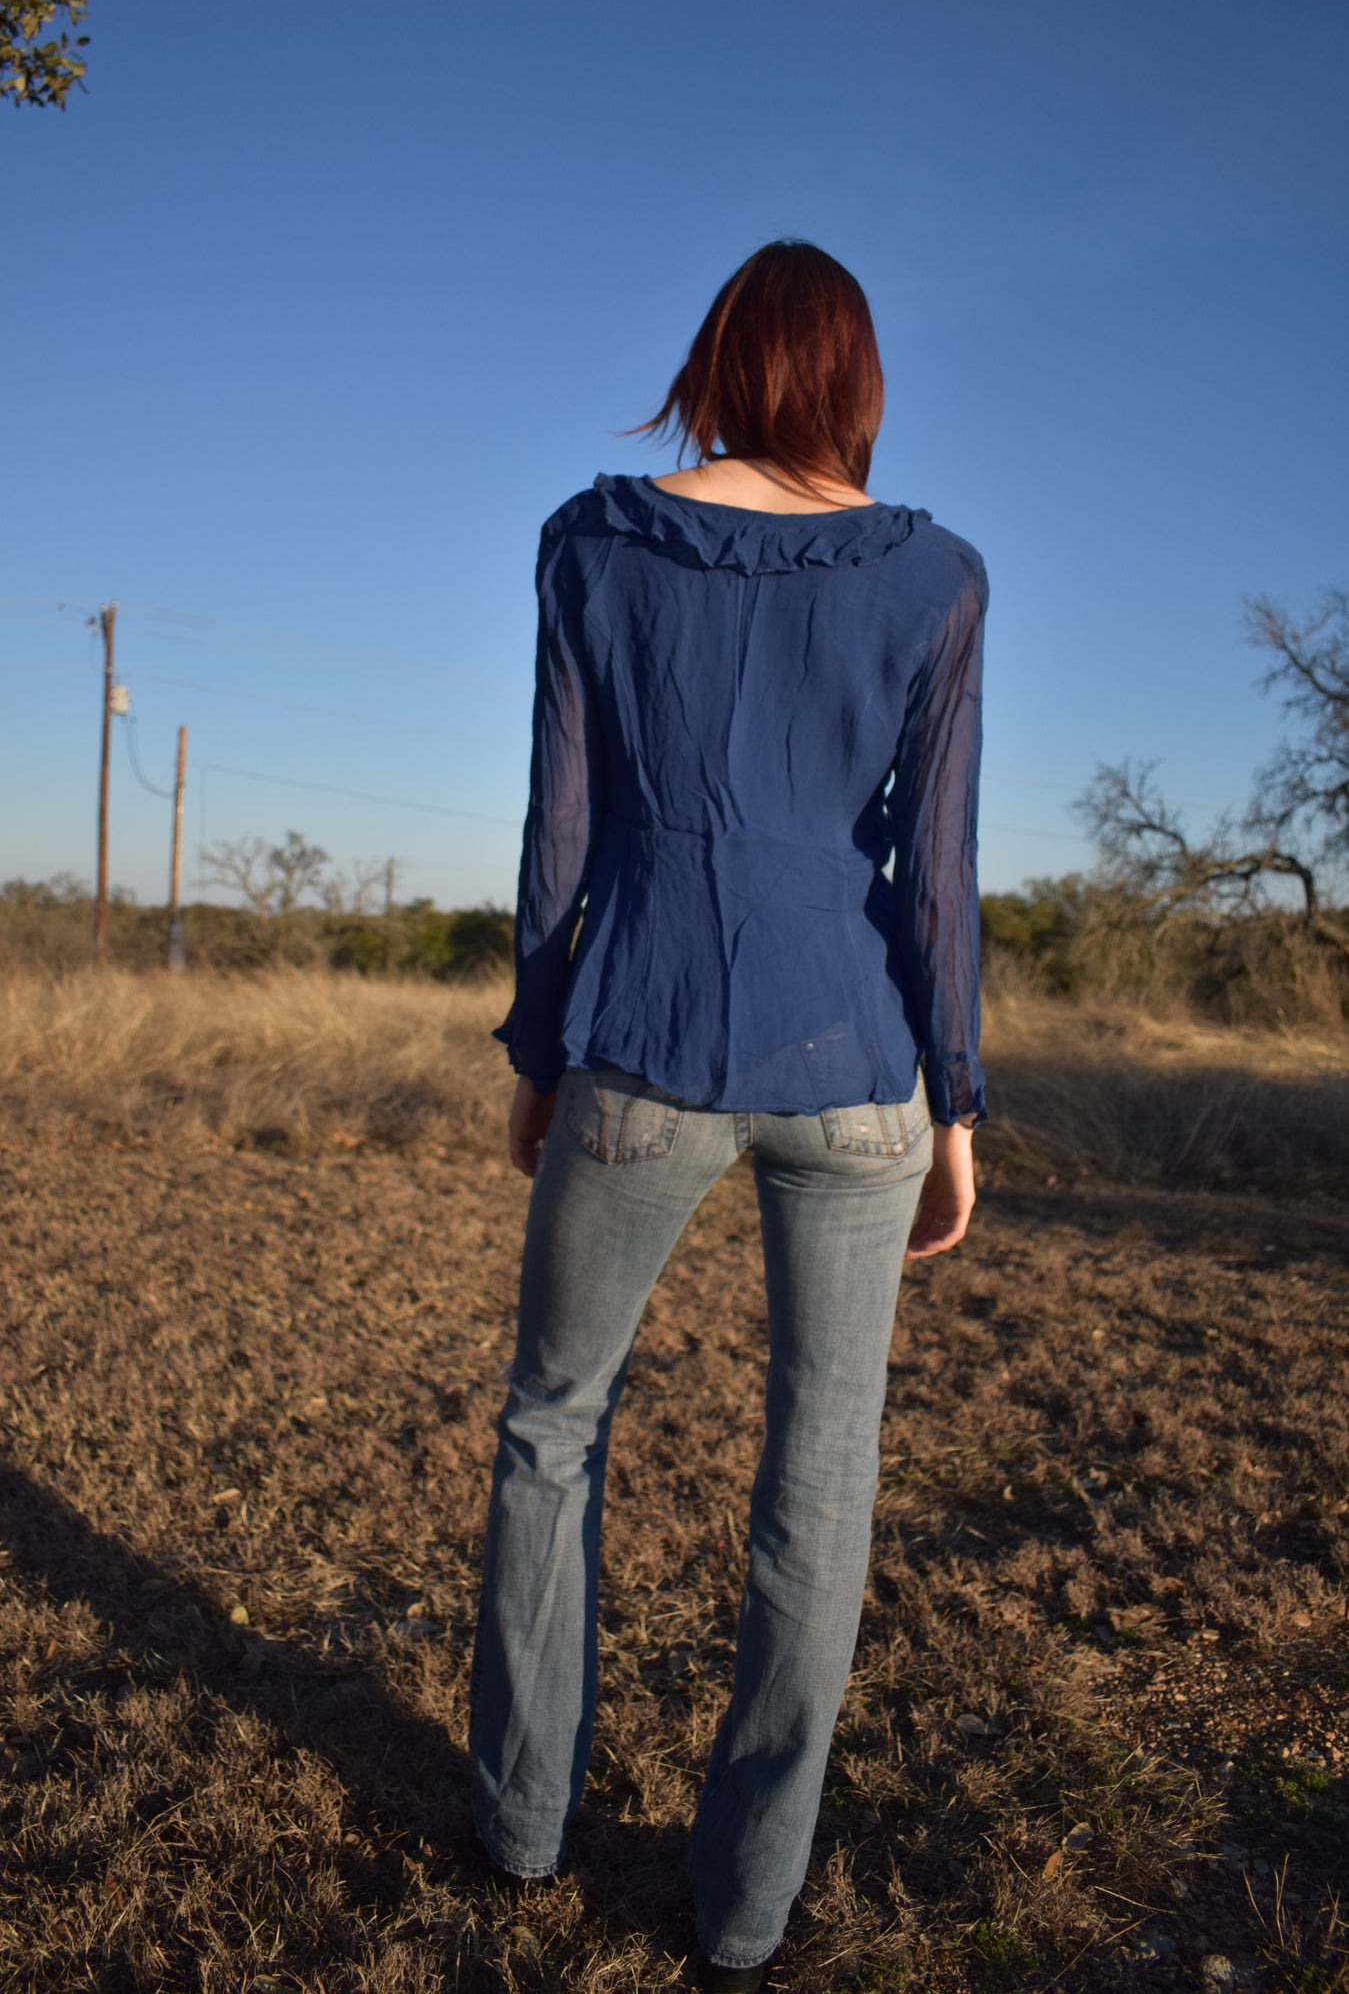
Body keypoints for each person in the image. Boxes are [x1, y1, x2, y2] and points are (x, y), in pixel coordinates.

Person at [469, 239, 986, 1992]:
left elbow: (560, 839)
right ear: (853, 382)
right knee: (818, 1478)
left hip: (642, 1048)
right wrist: (957, 1097)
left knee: (552, 1430)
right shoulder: (934, 574)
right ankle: (747, 1911)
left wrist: (540, 1053)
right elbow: (936, 876)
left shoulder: (594, 542)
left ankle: (524, 1828)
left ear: (713, 358)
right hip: (857, 1073)